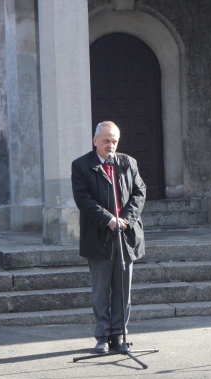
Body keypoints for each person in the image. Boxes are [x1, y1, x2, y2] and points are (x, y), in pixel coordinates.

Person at [71, 121, 146, 353]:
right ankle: (103, 336)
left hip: (125, 237)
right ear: (95, 141)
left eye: (114, 141)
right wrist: (108, 220)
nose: (110, 145)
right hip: (99, 237)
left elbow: (139, 192)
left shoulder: (128, 163)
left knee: (123, 290)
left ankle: (120, 335)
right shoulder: (82, 166)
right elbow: (84, 200)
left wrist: (126, 219)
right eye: (106, 141)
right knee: (101, 291)